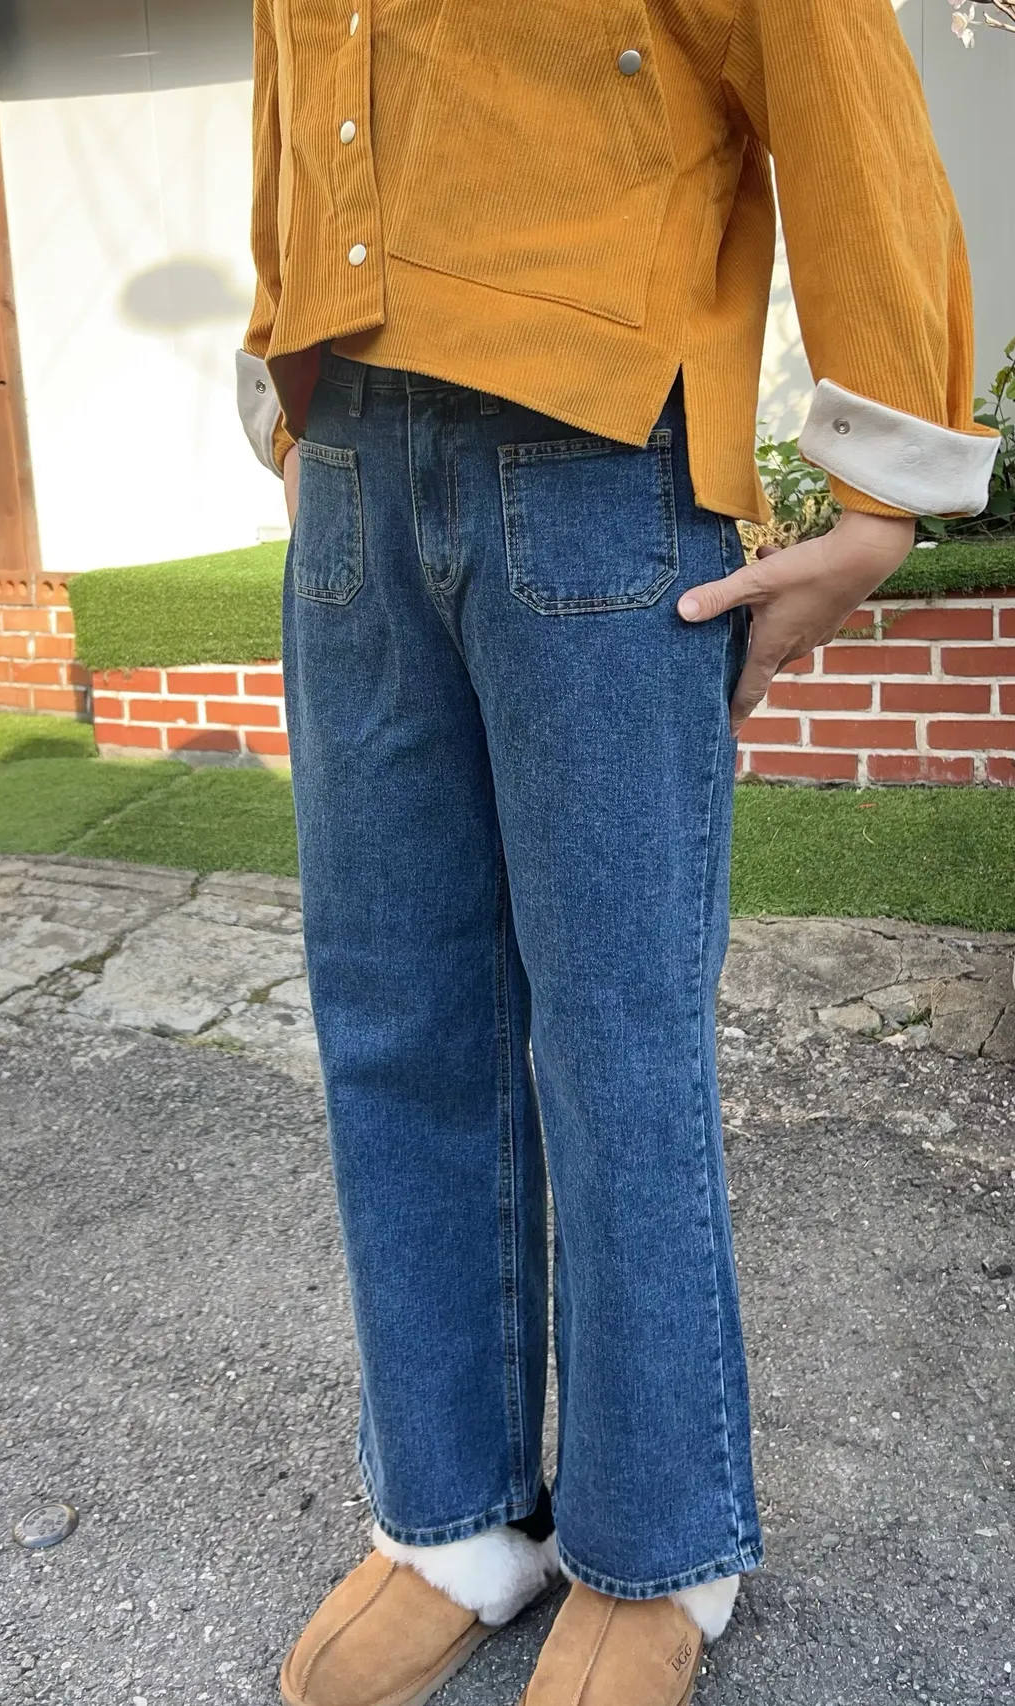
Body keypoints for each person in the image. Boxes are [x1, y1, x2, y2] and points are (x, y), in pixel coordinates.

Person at [235, 1, 999, 1700]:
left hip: (597, 451)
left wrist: (884, 486)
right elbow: (299, 64)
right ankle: (452, 1521)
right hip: (351, 455)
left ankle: (662, 1546)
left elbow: (833, 57)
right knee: (392, 1016)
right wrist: (287, 384)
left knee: (616, 1033)